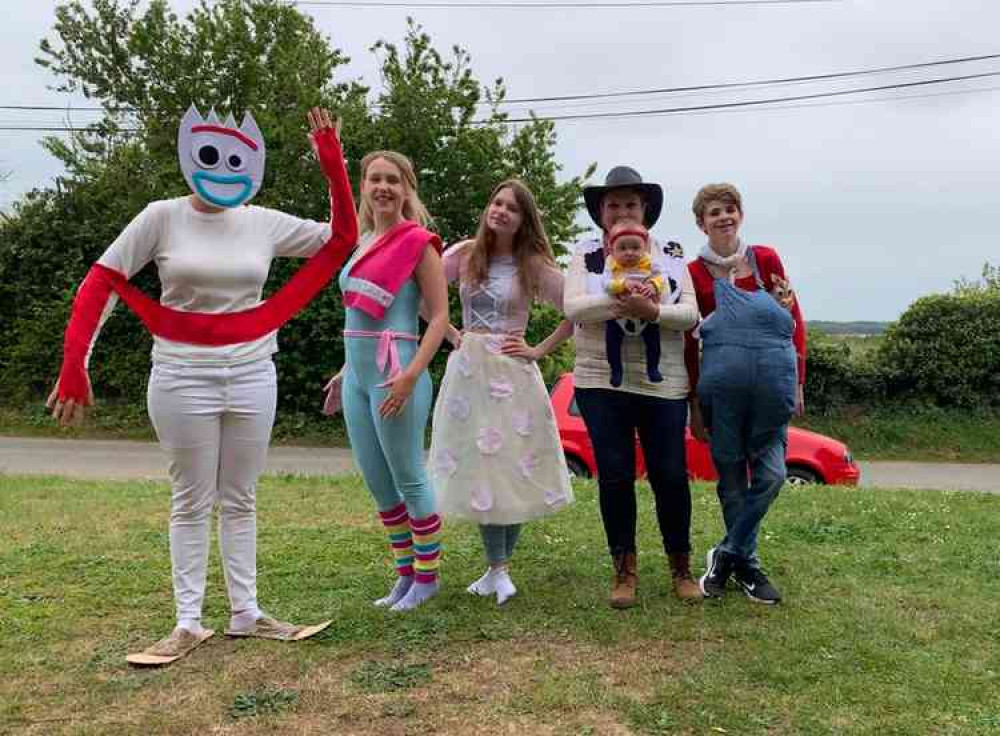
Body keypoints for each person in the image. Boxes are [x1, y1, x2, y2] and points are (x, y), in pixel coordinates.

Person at [49, 107, 355, 665]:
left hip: (252, 372)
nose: (222, 168)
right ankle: (187, 623)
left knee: (240, 497)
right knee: (192, 499)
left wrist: (331, 162)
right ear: (193, 154)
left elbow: (340, 241)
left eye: (236, 158)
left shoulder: (261, 221)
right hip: (181, 374)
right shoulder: (161, 217)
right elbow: (103, 279)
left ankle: (247, 613)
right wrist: (76, 363)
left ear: (253, 164)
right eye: (211, 155)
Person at [428, 179, 574, 606]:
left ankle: (500, 568)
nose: (501, 211)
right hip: (470, 370)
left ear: (524, 219)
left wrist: (538, 349)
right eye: (497, 202)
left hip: (514, 372)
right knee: (480, 465)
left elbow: (575, 311)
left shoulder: (534, 265)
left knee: (513, 465)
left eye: (512, 207)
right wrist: (450, 333)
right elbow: (423, 289)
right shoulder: (464, 256)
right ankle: (496, 568)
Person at [563, 166, 701, 608]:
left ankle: (681, 568)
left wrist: (653, 312)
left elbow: (690, 315)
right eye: (613, 205)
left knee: (671, 476)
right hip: (600, 381)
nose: (622, 212)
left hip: (664, 385)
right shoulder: (585, 255)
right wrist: (624, 300)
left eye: (631, 204)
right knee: (616, 477)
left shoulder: (674, 252)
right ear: (601, 213)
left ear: (645, 210)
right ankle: (624, 571)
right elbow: (574, 309)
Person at [334, 150, 449, 612]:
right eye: (374, 179)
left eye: (392, 180)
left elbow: (439, 317)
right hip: (356, 376)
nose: (382, 187)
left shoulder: (418, 243)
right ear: (364, 186)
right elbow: (356, 314)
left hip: (396, 370)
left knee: (410, 477)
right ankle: (404, 575)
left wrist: (411, 374)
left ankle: (428, 577)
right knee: (379, 483)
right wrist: (344, 370)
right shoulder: (360, 242)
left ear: (406, 188)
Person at [685, 183, 806, 605]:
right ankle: (749, 566)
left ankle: (726, 554)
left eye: (730, 209)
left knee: (772, 476)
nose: (724, 217)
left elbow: (791, 318)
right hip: (722, 394)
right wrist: (694, 404)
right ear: (701, 222)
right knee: (732, 483)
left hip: (770, 389)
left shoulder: (765, 259)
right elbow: (689, 339)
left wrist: (797, 381)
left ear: (741, 214)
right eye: (714, 212)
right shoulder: (693, 272)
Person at [601, 222, 665, 387]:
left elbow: (661, 277)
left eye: (635, 248)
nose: (629, 253)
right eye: (622, 248)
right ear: (612, 249)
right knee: (612, 341)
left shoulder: (650, 262)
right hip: (620, 313)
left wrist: (653, 286)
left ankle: (653, 368)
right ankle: (616, 370)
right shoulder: (611, 264)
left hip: (646, 312)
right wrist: (623, 284)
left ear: (644, 248)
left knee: (653, 340)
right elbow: (605, 284)